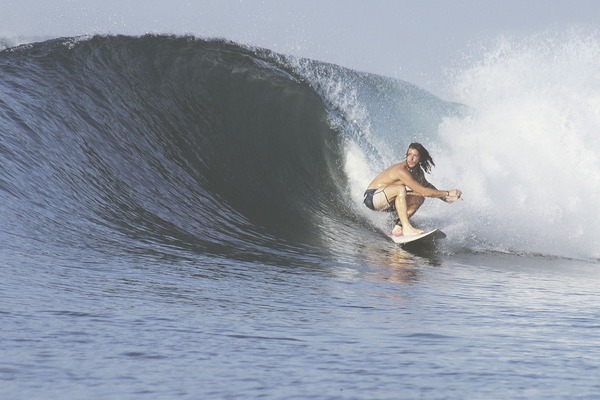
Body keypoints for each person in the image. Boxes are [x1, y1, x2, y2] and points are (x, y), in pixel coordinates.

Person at [363, 142, 462, 237]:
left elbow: (426, 186)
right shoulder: (401, 170)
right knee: (401, 189)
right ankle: (407, 228)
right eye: (409, 154)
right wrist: (449, 192)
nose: (411, 158)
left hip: (387, 200)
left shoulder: (418, 171)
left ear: (420, 158)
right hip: (372, 197)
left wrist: (445, 198)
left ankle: (399, 227)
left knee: (419, 198)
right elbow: (423, 191)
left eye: (415, 155)